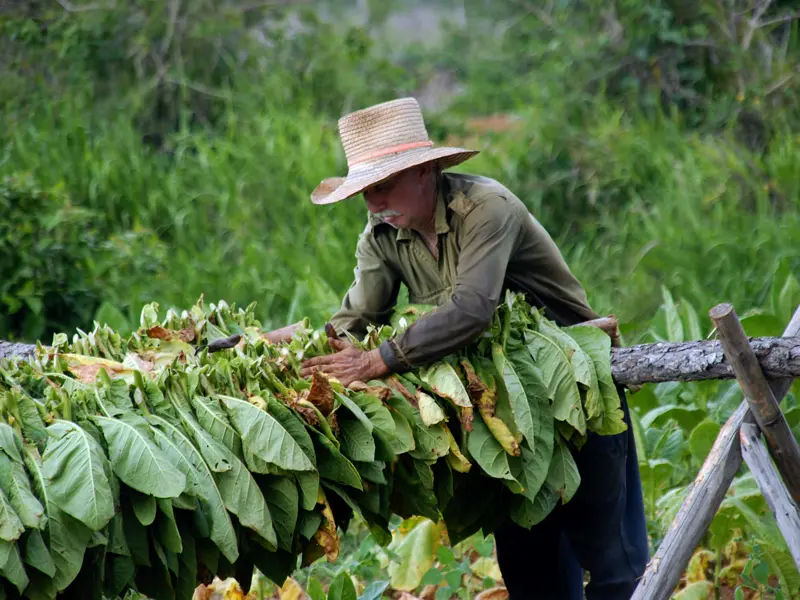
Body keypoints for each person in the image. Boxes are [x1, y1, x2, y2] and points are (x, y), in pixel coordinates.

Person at [270, 97, 648, 599]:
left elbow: (472, 310)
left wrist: (379, 360)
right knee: (531, 569)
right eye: (365, 192)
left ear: (424, 170)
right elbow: (356, 325)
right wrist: (274, 347)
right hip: (506, 411)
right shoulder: (382, 234)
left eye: (383, 186)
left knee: (612, 560)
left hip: (576, 386)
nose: (374, 202)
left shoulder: (487, 208)